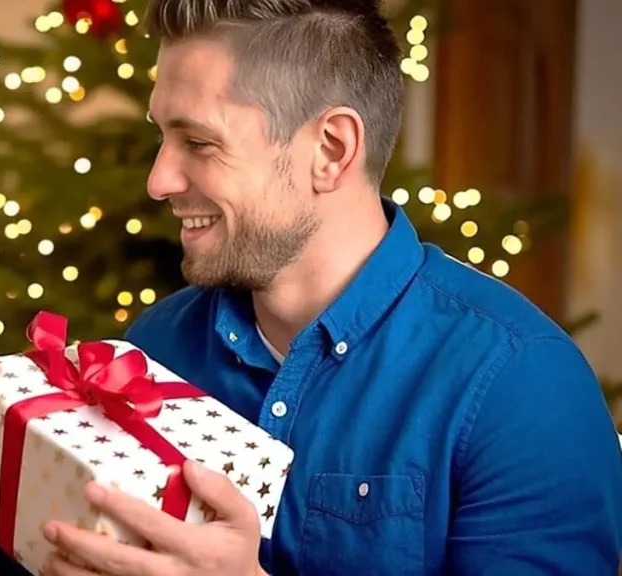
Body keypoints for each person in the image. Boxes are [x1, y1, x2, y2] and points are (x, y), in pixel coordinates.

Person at [37, 0, 622, 574]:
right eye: (162, 136)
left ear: (331, 151)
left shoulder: (523, 386)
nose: (159, 180)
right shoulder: (155, 347)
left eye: (199, 142)